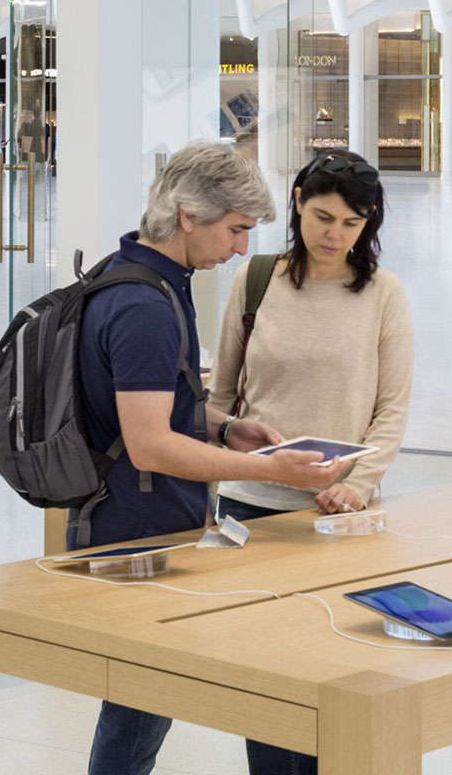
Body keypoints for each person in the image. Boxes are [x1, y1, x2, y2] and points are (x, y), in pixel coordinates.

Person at [75, 141, 350, 775]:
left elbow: (150, 405)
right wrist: (271, 469)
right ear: (188, 215)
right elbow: (148, 443)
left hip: (142, 516)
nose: (242, 248)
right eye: (235, 229)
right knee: (140, 701)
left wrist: (226, 428)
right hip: (138, 528)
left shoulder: (140, 279)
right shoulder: (144, 306)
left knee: (144, 700)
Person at [206, 149, 411, 775]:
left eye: (351, 224)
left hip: (340, 514)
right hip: (253, 509)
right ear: (296, 202)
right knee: (267, 679)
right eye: (322, 217)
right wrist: (229, 446)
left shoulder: (382, 293)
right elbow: (217, 399)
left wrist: (361, 485)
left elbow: (392, 409)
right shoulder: (256, 278)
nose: (333, 235)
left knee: (340, 673)